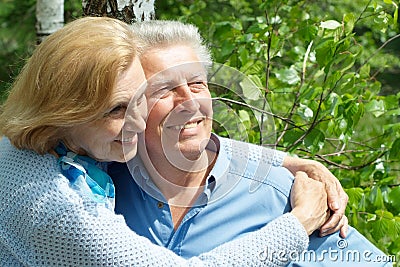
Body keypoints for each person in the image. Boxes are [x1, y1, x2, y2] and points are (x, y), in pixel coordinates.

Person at [0, 16, 333, 267]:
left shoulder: (42, 146)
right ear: (62, 114)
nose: (139, 121)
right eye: (117, 109)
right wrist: (300, 222)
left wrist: (289, 162)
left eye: (142, 99)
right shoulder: (53, 208)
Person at [109, 20, 393, 266]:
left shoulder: (284, 195)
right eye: (164, 89)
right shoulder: (100, 183)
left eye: (197, 84)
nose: (190, 101)